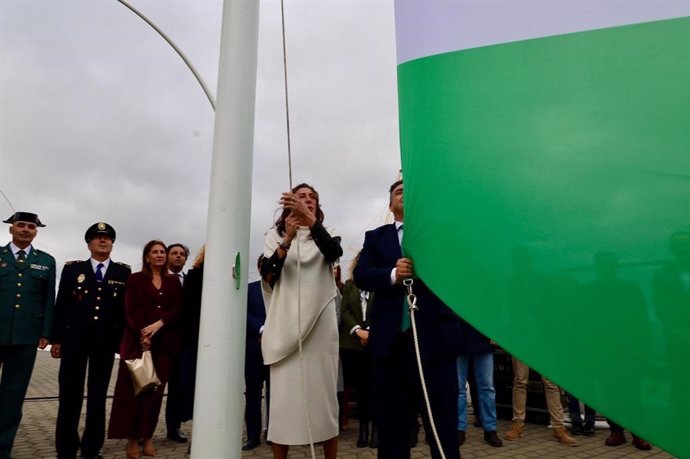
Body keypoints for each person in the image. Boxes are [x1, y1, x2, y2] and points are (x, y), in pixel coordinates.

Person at [353, 180, 462, 459]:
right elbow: (361, 275)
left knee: (443, 428)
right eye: (398, 192)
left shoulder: (439, 234)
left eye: (409, 191)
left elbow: (457, 273)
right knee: (392, 429)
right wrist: (392, 274)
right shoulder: (376, 237)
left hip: (434, 344)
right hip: (391, 346)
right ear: (390, 205)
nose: (403, 194)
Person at [260, 183, 342, 459]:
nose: (307, 200)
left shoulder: (328, 234)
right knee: (284, 398)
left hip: (320, 321)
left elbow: (333, 253)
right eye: (300, 197)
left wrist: (310, 223)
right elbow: (269, 275)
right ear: (288, 206)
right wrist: (288, 239)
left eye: (312, 198)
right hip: (285, 322)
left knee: (324, 395)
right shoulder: (273, 236)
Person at [51, 222, 131, 459]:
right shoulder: (73, 269)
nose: (103, 241)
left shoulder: (122, 272)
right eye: (97, 238)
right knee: (69, 396)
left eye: (107, 238)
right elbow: (61, 305)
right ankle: (66, 448)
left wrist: (122, 341)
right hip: (74, 340)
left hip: (105, 343)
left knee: (97, 396)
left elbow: (125, 311)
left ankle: (91, 448)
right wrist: (57, 338)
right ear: (89, 244)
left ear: (112, 244)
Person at [107, 240, 183, 459]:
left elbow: (178, 308)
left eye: (162, 252)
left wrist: (160, 324)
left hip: (164, 345)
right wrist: (143, 334)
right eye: (154, 252)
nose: (159, 255)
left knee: (154, 395)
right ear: (147, 256)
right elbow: (129, 309)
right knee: (133, 394)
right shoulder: (135, 279)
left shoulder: (174, 282)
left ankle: (147, 437)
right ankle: (132, 440)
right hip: (137, 345)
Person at [0, 212, 55, 459]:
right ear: (11, 229)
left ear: (36, 231)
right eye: (20, 225)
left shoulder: (46, 261)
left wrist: (45, 333)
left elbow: (48, 300)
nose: (25, 229)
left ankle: (3, 449)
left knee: (13, 397)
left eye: (30, 226)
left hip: (25, 338)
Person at [339, 253, 376, 448]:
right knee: (361, 390)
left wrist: (369, 331)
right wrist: (358, 331)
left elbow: (382, 309)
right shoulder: (349, 285)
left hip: (375, 343)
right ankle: (363, 430)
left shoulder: (379, 285)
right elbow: (344, 310)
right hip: (354, 345)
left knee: (376, 388)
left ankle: (376, 430)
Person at [456, 321, 502, 448]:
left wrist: (495, 333)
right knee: (459, 389)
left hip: (482, 338)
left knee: (487, 387)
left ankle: (490, 429)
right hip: (459, 337)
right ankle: (459, 428)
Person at [243, 256, 270, 451]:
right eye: (264, 265)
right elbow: (242, 313)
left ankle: (274, 433)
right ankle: (253, 436)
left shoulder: (283, 289)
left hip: (278, 351)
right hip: (254, 350)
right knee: (253, 395)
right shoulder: (249, 289)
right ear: (259, 268)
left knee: (276, 395)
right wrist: (261, 330)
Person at [164, 243, 190, 443]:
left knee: (177, 389)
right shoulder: (157, 278)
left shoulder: (190, 281)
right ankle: (141, 431)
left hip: (181, 344)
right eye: (174, 253)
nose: (178, 257)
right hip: (160, 342)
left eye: (182, 254)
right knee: (151, 388)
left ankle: (174, 428)